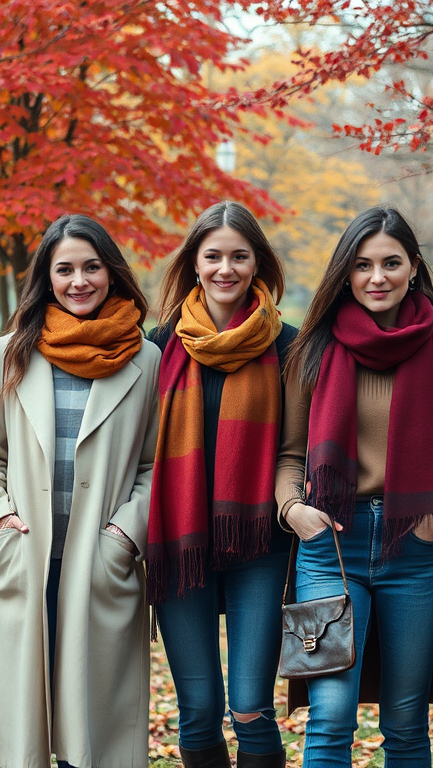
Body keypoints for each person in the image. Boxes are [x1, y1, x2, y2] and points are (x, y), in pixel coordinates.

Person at [275, 205, 433, 767]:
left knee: (407, 720)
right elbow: (291, 456)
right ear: (345, 273)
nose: (377, 277)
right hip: (329, 547)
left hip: (415, 551)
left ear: (413, 267)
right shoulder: (312, 353)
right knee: (332, 715)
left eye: (391, 263)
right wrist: (293, 507)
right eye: (363, 265)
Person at [0, 214, 160, 768]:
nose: (80, 281)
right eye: (65, 269)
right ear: (46, 278)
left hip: (100, 561)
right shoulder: (12, 352)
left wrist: (126, 535)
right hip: (25, 558)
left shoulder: (146, 360)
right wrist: (0, 522)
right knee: (19, 737)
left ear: (112, 273)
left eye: (92, 267)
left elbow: (153, 466)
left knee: (94, 735)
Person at [147, 201, 297, 768]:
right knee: (199, 709)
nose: (225, 269)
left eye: (239, 256)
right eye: (213, 256)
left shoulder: (290, 346)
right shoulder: (158, 347)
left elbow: (298, 447)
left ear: (257, 263)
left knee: (251, 706)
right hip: (182, 541)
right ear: (194, 263)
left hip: (259, 544)